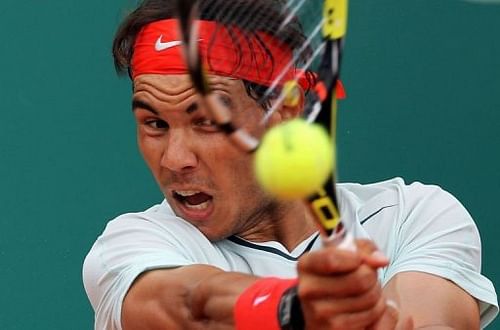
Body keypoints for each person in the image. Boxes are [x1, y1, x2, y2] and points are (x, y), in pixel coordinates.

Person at [83, 0, 498, 329]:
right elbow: (191, 307)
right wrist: (294, 309)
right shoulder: (135, 246)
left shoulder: (413, 216)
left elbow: (434, 319)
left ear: (288, 107)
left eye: (207, 122)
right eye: (154, 123)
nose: (175, 159)